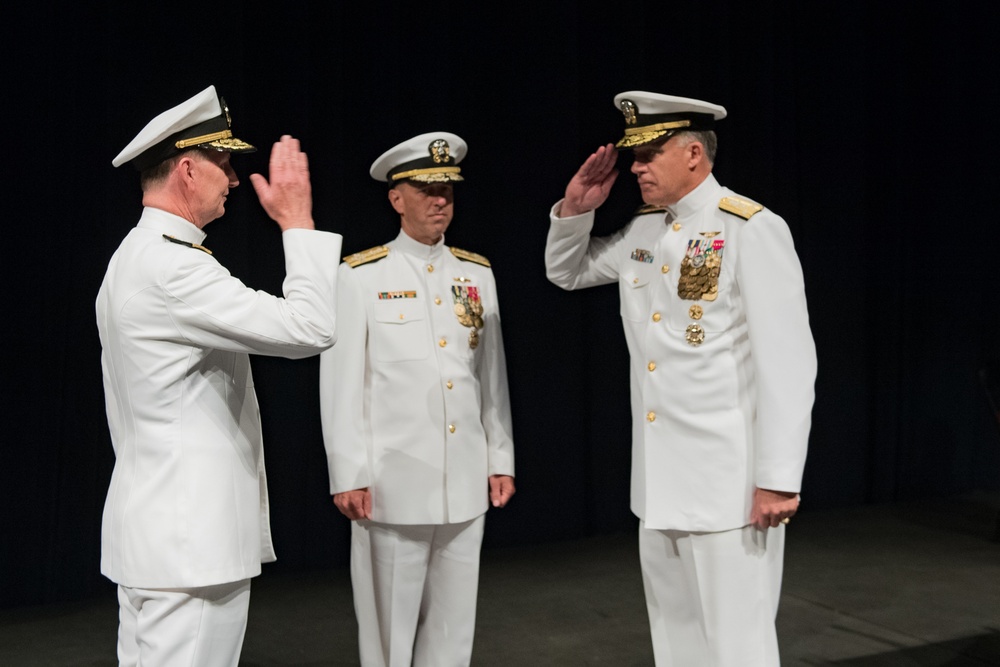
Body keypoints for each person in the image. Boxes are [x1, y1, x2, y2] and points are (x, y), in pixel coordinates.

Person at [544, 91, 816, 666]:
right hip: (659, 483)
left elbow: (789, 363)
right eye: (634, 155)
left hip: (730, 486)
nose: (636, 166)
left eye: (649, 154)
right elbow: (568, 273)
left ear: (694, 153)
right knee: (676, 643)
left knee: (738, 646)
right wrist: (576, 209)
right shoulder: (645, 231)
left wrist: (778, 477)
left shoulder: (751, 228)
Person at [97, 85, 342, 667]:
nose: (233, 179)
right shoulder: (172, 268)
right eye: (224, 162)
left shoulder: (137, 255)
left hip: (161, 538)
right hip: (190, 547)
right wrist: (298, 222)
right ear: (187, 168)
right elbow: (310, 328)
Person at [319, 132, 515, 666]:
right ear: (395, 197)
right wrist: (348, 472)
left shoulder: (477, 273)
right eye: (426, 189)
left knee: (454, 631)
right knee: (388, 635)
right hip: (392, 484)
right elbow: (341, 385)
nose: (439, 200)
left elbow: (489, 377)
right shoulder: (360, 276)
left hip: (464, 480)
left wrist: (500, 457)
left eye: (448, 190)